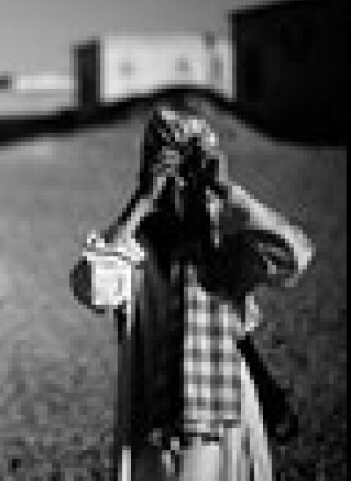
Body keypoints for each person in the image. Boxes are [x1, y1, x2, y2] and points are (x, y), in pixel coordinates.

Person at [69, 95, 314, 481]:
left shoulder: (226, 240)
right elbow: (93, 287)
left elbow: (291, 257)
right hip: (152, 423)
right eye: (170, 169)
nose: (181, 183)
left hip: (227, 417)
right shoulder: (133, 246)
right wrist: (141, 202)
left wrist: (227, 189)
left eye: (190, 168)